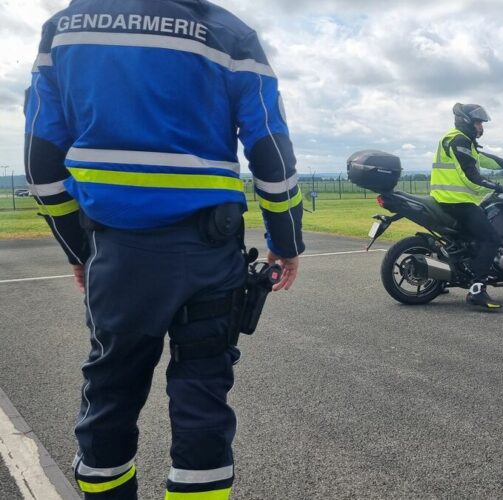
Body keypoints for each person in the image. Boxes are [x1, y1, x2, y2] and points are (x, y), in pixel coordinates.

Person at [24, 1, 304, 498]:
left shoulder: (64, 28)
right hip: (209, 251)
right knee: (202, 398)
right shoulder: (229, 31)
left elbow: (41, 160)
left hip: (116, 251)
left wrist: (78, 251)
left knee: (110, 392)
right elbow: (270, 149)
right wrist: (286, 240)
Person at [430, 103, 503, 309]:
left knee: (476, 237)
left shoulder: (461, 139)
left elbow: (485, 159)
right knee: (491, 238)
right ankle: (477, 289)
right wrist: (501, 187)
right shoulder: (459, 140)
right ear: (467, 121)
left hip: (450, 199)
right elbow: (471, 174)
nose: (481, 127)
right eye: (478, 122)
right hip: (456, 201)